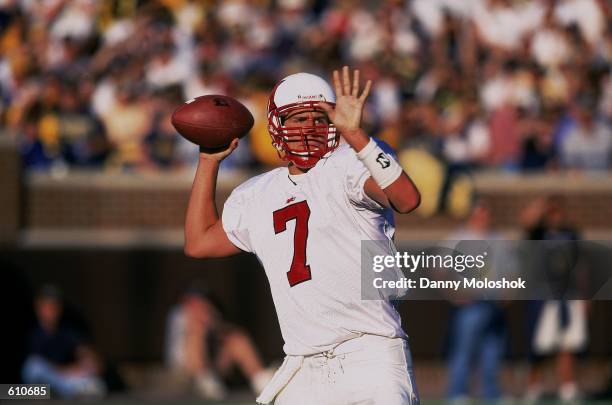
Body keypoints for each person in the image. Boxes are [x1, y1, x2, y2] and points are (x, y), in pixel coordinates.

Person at [184, 66, 421, 404]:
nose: (309, 128)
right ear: (277, 126)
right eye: (297, 119)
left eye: (320, 119)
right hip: (303, 366)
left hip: (369, 354)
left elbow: (407, 199)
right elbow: (198, 242)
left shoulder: (349, 162)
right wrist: (208, 161)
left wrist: (355, 135)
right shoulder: (256, 194)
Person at [165, 285, 273, 399]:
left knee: (235, 338)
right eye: (193, 300)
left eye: (201, 300)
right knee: (195, 334)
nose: (198, 304)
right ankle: (206, 383)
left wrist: (211, 320)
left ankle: (261, 381)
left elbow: (223, 331)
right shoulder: (179, 314)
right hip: (183, 369)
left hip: (213, 367)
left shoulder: (210, 312)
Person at [22, 285, 106, 398]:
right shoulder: (30, 331)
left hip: (64, 380)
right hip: (42, 380)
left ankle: (56, 392)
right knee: (33, 366)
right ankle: (51, 392)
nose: (50, 310)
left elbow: (87, 355)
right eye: (46, 306)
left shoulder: (66, 333)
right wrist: (65, 371)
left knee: (96, 385)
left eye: (54, 306)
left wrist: (86, 362)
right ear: (38, 307)